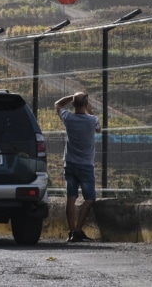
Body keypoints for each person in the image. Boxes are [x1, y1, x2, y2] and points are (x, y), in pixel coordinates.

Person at [55, 91, 101, 243]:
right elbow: (98, 128)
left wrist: (72, 97)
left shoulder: (68, 118)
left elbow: (58, 104)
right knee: (89, 198)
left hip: (69, 163)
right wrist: (89, 108)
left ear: (73, 104)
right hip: (85, 165)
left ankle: (72, 230)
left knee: (71, 197)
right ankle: (78, 230)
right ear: (86, 104)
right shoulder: (92, 120)